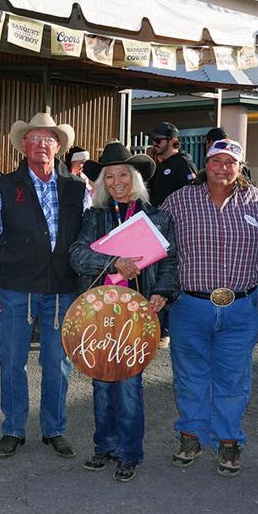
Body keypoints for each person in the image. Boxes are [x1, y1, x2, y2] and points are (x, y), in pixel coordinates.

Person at [0, 112, 89, 459]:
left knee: (58, 362)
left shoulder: (76, 187)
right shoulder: (4, 186)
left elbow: (89, 237)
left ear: (59, 147)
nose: (42, 144)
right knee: (13, 360)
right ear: (24, 145)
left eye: (49, 139)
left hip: (63, 289)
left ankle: (54, 428)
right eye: (35, 138)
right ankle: (13, 428)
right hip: (16, 288)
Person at [159, 138, 258, 476]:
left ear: (240, 167)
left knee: (234, 377)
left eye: (230, 162)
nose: (222, 168)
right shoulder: (178, 201)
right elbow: (157, 245)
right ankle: (191, 435)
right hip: (190, 305)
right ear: (204, 164)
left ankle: (229, 441)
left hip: (240, 306)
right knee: (190, 375)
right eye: (216, 161)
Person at [69, 142, 178, 482]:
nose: (117, 182)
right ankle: (104, 447)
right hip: (100, 312)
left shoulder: (156, 217)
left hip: (137, 312)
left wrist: (162, 293)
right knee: (101, 382)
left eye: (123, 175)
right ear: (102, 182)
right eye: (110, 176)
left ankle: (129, 452)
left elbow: (170, 262)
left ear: (135, 179)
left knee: (129, 385)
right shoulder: (94, 216)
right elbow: (76, 255)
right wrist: (112, 261)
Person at [148, 121, 196, 206]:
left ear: (172, 141)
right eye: (153, 140)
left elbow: (193, 193)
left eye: (158, 140)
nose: (154, 143)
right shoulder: (159, 164)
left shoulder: (183, 162)